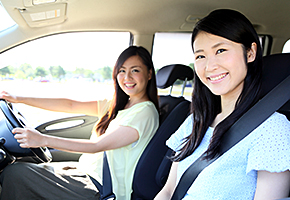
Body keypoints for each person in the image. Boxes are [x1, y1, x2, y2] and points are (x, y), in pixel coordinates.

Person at [155, 9, 290, 200]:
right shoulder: (195, 121)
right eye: (200, 56)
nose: (210, 66)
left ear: (250, 53)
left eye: (220, 50)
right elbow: (168, 191)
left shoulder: (272, 129)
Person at [0, 46, 160, 200]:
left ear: (149, 74)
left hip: (101, 187)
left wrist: (43, 140)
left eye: (135, 70)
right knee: (23, 167)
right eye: (122, 71)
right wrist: (19, 99)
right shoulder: (120, 105)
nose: (127, 77)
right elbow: (71, 105)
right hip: (85, 171)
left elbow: (97, 146)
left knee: (14, 173)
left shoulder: (145, 112)